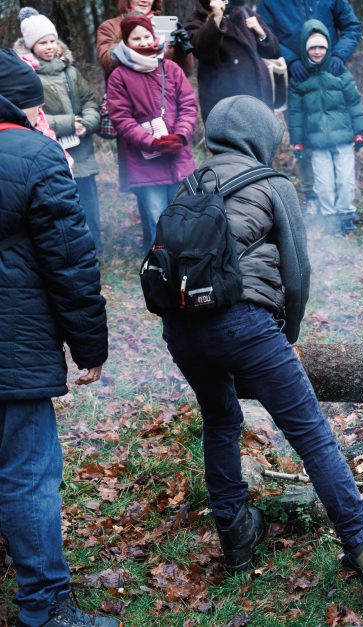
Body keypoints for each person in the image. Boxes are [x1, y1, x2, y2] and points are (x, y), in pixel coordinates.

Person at [159, 95, 363, 614]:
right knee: (311, 435)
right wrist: (284, 333)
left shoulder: (189, 184)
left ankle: (237, 537)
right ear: (263, 137)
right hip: (244, 323)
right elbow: (297, 273)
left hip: (181, 330)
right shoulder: (272, 184)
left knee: (220, 422)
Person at [0, 48, 115, 627]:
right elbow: (71, 262)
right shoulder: (32, 154)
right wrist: (88, 346)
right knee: (26, 473)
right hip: (11, 349)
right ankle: (44, 608)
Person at [257, 0, 362, 215]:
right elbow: (265, 35)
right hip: (295, 78)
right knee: (304, 138)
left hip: (330, 74)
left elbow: (352, 26)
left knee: (338, 143)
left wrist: (339, 54)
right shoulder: (269, 2)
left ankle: (341, 201)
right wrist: (290, 59)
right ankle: (313, 196)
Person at [107, 15, 197, 249]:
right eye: (136, 38)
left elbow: (188, 105)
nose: (144, 41)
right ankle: (160, 270)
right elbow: (121, 118)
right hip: (144, 163)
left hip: (178, 157)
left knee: (184, 215)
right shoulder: (119, 76)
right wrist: (151, 142)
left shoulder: (171, 68)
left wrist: (181, 135)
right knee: (157, 219)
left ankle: (186, 266)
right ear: (126, 42)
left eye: (147, 35)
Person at [16, 8, 102, 252]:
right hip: (51, 154)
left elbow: (89, 101)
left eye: (52, 40)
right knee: (63, 208)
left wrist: (86, 122)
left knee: (90, 207)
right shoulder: (27, 75)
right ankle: (71, 252)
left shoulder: (70, 71)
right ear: (31, 45)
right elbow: (29, 117)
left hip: (82, 153)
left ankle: (95, 251)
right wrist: (68, 123)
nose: (49, 46)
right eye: (43, 42)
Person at [287, 20, 363, 235]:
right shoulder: (299, 79)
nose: (317, 52)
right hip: (317, 140)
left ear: (328, 47)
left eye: (321, 47)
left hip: (343, 137)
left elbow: (354, 102)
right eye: (312, 47)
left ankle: (346, 214)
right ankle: (329, 217)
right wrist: (297, 141)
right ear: (305, 49)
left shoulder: (339, 71)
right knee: (323, 183)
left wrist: (360, 131)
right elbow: (295, 114)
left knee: (345, 179)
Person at [184, 0, 280, 123]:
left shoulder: (246, 13)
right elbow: (201, 50)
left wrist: (261, 33)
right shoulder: (196, 20)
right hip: (223, 107)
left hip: (259, 100)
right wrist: (216, 20)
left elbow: (273, 51)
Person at [97, 0, 193, 80]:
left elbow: (185, 73)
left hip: (162, 95)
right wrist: (128, 32)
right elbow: (107, 64)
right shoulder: (109, 26)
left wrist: (182, 49)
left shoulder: (164, 26)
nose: (144, 0)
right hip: (125, 94)